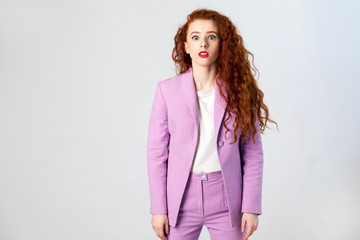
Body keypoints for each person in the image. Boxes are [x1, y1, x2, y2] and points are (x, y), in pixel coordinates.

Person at [147, 8, 277, 240]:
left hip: (227, 198)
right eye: (195, 37)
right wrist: (159, 209)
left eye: (212, 37)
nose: (203, 44)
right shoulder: (166, 91)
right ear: (186, 46)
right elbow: (156, 154)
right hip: (181, 199)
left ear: (222, 44)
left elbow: (253, 153)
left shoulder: (240, 92)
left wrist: (251, 206)